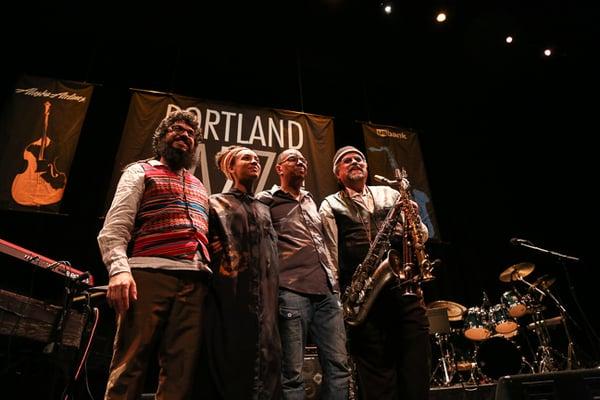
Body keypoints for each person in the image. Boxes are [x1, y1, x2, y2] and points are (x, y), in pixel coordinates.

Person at [97, 110, 210, 400]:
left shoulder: (199, 186)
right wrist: (119, 270)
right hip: (148, 274)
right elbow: (116, 226)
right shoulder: (140, 171)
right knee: (130, 362)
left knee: (180, 371)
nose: (185, 135)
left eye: (191, 134)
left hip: (194, 282)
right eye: (177, 130)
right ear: (161, 137)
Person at [319, 146, 431, 400]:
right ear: (338, 173)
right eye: (346, 161)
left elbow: (421, 235)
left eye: (359, 159)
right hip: (364, 298)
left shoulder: (390, 193)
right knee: (376, 373)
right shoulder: (331, 204)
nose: (354, 162)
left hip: (405, 288)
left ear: (367, 168)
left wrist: (414, 218)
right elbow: (329, 253)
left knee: (415, 365)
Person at [256, 149, 350, 400]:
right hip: (291, 291)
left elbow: (321, 243)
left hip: (327, 293)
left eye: (303, 160)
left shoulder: (310, 200)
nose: (300, 162)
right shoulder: (266, 199)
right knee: (293, 373)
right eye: (293, 159)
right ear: (279, 169)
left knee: (339, 368)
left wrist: (335, 280)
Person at [204, 145, 281, 399]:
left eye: (257, 158)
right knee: (233, 362)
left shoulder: (264, 208)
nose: (254, 161)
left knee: (267, 362)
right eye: (246, 158)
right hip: (230, 297)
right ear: (230, 168)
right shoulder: (215, 203)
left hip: (267, 301)